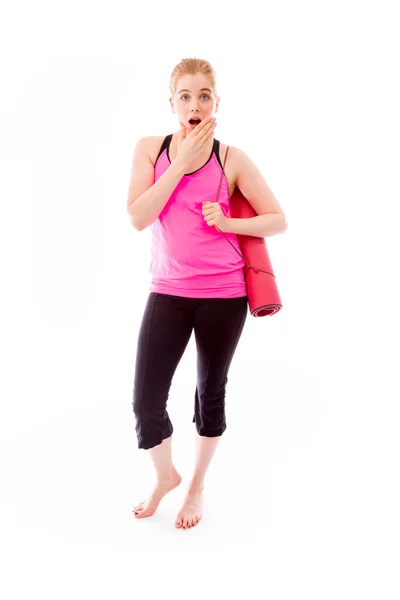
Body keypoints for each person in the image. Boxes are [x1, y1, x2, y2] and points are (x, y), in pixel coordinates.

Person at [126, 58, 286, 530]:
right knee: (145, 400)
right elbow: (138, 218)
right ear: (171, 102)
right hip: (168, 291)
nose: (194, 104)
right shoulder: (150, 150)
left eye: (204, 96)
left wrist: (229, 222)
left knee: (209, 394)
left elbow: (277, 219)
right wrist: (178, 165)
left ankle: (196, 486)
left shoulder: (231, 158)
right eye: (185, 95)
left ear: (217, 103)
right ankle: (166, 477)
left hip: (224, 294)